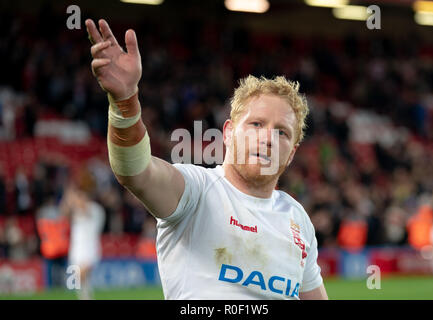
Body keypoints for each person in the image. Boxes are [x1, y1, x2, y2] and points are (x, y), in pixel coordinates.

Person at [86, 18, 328, 300]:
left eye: (282, 132)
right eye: (256, 124)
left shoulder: (297, 218)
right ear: (227, 133)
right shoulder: (197, 190)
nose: (268, 138)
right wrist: (125, 102)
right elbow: (136, 171)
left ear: (292, 153)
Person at [60, 182, 105, 300]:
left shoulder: (96, 209)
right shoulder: (76, 211)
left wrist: (72, 198)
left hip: (90, 249)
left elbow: (85, 209)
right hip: (76, 250)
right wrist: (67, 199)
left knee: (79, 276)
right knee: (82, 283)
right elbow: (64, 214)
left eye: (81, 196)